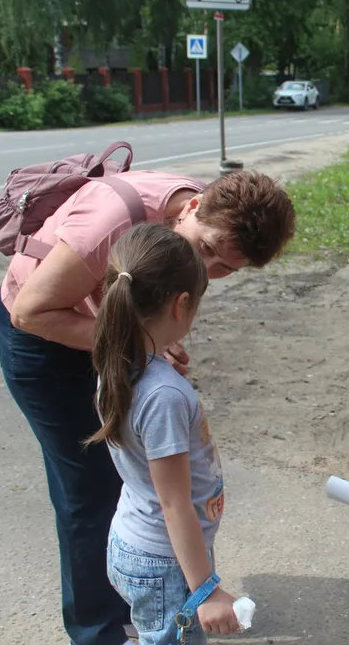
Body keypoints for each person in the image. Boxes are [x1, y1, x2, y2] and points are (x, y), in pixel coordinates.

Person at [0, 169, 295, 645]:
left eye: (226, 268)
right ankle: (96, 633)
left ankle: (137, 599)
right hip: (41, 334)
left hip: (107, 335)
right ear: (195, 206)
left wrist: (143, 346)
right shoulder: (113, 221)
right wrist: (137, 345)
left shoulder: (192, 226)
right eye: (208, 249)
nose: (209, 269)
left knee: (129, 476)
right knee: (84, 494)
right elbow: (30, 313)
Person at [88, 222, 238, 645]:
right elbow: (175, 505)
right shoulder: (164, 395)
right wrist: (206, 590)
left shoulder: (117, 363)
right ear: (182, 304)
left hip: (136, 539)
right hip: (165, 559)